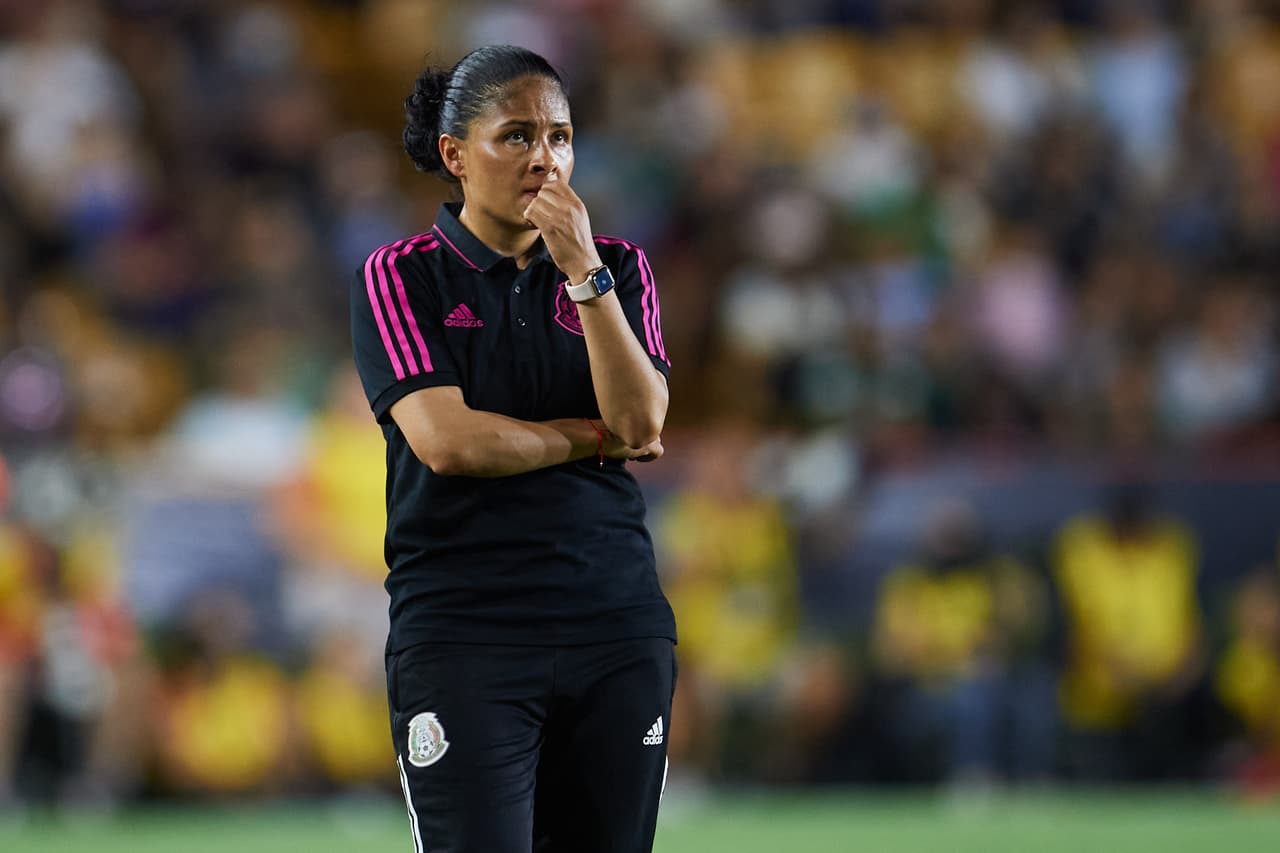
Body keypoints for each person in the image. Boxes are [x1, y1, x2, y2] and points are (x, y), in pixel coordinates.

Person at [348, 45, 676, 853]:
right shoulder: (401, 277)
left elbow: (641, 421)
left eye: (560, 137)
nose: (545, 158)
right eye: (518, 135)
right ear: (455, 155)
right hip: (467, 632)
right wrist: (589, 438)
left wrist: (582, 270)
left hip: (613, 621)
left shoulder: (620, 268)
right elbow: (450, 444)